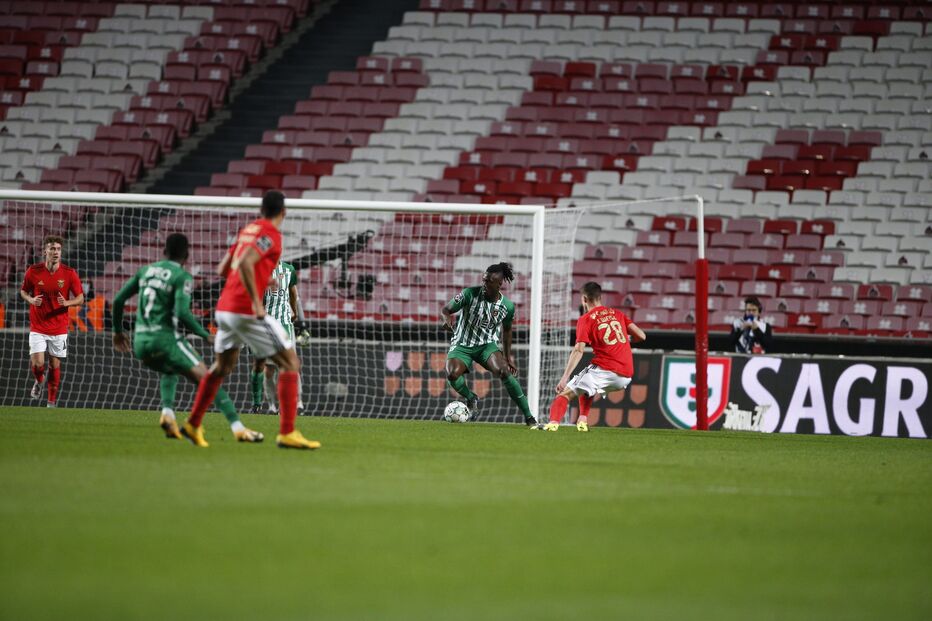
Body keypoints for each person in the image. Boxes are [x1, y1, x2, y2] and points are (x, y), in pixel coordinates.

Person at [182, 190, 319, 449]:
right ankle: (288, 432)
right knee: (290, 363)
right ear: (284, 212)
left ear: (261, 210)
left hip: (225, 308)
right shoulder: (271, 235)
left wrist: (260, 279)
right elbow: (246, 263)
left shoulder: (248, 231)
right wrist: (256, 301)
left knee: (221, 368)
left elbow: (224, 268)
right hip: (244, 309)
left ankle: (193, 422)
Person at [111, 233, 263, 443]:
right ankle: (238, 428)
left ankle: (168, 414)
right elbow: (182, 312)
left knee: (169, 369)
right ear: (187, 256)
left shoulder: (146, 271)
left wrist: (118, 332)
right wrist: (205, 335)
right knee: (209, 379)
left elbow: (118, 300)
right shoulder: (182, 276)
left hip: (140, 342)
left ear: (164, 251)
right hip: (165, 339)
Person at [441, 262, 539, 427]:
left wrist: (507, 357)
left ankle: (529, 417)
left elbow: (507, 331)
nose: (484, 284)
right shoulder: (469, 294)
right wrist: (446, 319)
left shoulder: (507, 307)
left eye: (488, 281)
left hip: (486, 345)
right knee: (452, 374)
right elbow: (446, 310)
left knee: (504, 372)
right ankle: (471, 398)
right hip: (462, 344)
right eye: (484, 280)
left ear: (499, 284)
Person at [545, 281, 646, 432]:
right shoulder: (617, 314)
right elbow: (642, 336)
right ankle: (582, 419)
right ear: (600, 297)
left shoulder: (585, 319)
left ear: (584, 299)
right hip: (626, 375)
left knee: (564, 394)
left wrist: (565, 377)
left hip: (606, 368)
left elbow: (579, 350)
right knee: (586, 385)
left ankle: (552, 424)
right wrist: (627, 339)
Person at [20, 235, 84, 407]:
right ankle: (39, 380)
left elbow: (80, 298)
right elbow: (23, 291)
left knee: (54, 365)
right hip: (38, 326)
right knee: (38, 364)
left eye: (58, 249)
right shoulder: (33, 271)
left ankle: (51, 403)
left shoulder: (69, 273)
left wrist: (67, 303)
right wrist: (31, 300)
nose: (56, 252)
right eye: (52, 249)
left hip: (59, 327)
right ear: (45, 251)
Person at [249, 259, 306, 414]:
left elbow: (294, 294)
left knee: (286, 365)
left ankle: (290, 404)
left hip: (282, 325)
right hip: (265, 324)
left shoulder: (288, 269)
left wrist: (295, 314)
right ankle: (265, 404)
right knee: (265, 367)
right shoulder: (258, 268)